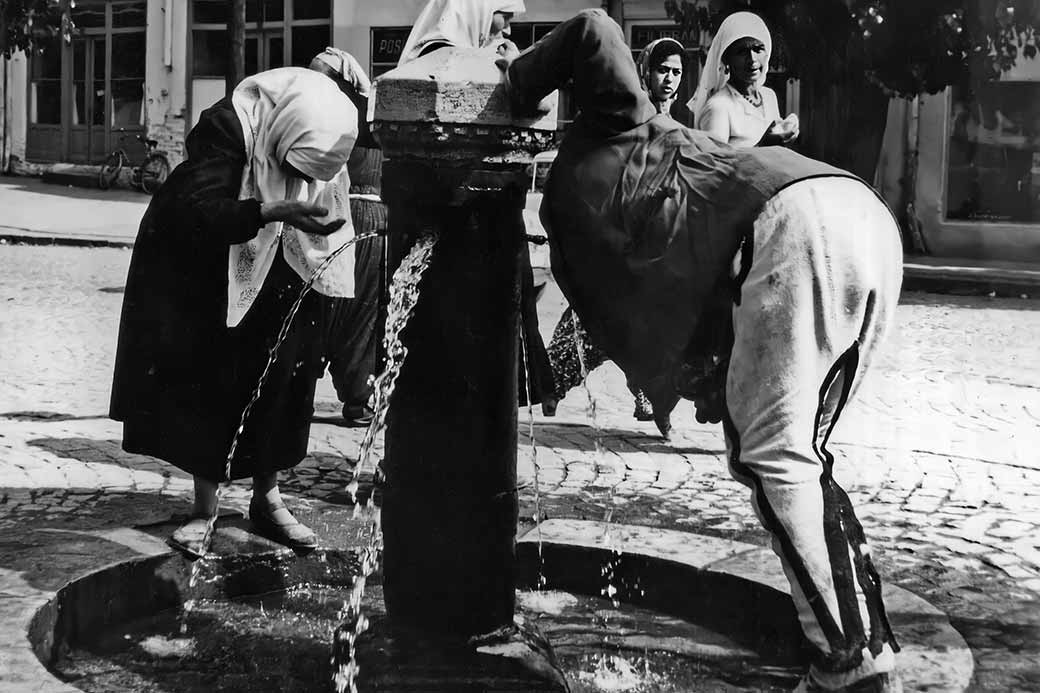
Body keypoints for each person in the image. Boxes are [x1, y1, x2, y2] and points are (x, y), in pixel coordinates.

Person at [497, 10, 903, 693]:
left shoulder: (615, 121)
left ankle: (849, 664)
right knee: (802, 458)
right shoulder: (599, 213)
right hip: (852, 215)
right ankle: (869, 638)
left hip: (784, 225)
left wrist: (512, 83)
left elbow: (591, 29)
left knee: (774, 457)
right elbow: (624, 332)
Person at [110, 67, 359, 557]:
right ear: (283, 131)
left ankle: (268, 498)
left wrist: (303, 214)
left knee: (284, 375)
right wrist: (273, 211)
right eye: (294, 168)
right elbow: (201, 212)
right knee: (217, 376)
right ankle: (205, 507)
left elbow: (322, 191)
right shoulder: (229, 130)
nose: (301, 181)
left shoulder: (326, 126)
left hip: (287, 256)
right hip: (209, 262)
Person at [398, 0, 558, 415]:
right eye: (504, 11)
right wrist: (513, 72)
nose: (509, 24)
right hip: (462, 223)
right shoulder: (447, 59)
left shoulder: (495, 55)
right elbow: (537, 104)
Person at [309, 48, 386, 428]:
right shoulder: (363, 117)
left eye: (322, 75)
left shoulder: (356, 119)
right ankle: (354, 396)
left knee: (358, 309)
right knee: (329, 304)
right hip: (334, 216)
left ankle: (359, 396)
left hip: (359, 218)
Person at [689, 11, 799, 148]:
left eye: (758, 49)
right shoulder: (718, 107)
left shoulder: (769, 96)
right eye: (742, 51)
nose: (752, 59)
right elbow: (714, 166)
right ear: (726, 59)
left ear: (767, 53)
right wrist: (762, 145)